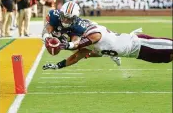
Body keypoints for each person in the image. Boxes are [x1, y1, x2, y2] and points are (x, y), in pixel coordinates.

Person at [42, 22, 173, 70]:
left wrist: (68, 45)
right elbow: (75, 57)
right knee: (168, 58)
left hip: (140, 43)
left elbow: (93, 38)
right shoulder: (88, 45)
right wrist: (57, 66)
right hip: (138, 54)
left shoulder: (93, 32)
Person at [42, 1, 121, 66]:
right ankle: (107, 53)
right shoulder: (54, 15)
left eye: (69, 18)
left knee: (86, 50)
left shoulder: (79, 26)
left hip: (87, 29)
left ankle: (109, 52)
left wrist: (68, 45)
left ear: (75, 18)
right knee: (81, 53)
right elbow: (46, 29)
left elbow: (76, 42)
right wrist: (46, 38)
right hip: (66, 33)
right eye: (64, 16)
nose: (65, 20)